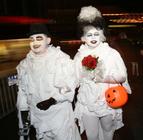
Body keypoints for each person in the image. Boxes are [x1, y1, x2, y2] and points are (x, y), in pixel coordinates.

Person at [73, 6, 131, 140]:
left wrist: (101, 78)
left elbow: (122, 76)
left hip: (107, 99)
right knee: (92, 135)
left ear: (102, 35)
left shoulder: (111, 53)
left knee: (107, 130)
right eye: (89, 34)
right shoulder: (79, 55)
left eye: (96, 34)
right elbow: (74, 79)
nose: (93, 38)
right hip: (87, 100)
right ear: (83, 37)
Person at [16, 23, 81, 140]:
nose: (35, 42)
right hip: (38, 119)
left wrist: (53, 100)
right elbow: (22, 94)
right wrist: (23, 125)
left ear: (48, 40)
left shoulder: (60, 60)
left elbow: (69, 85)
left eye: (39, 38)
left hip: (59, 117)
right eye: (32, 39)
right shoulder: (24, 65)